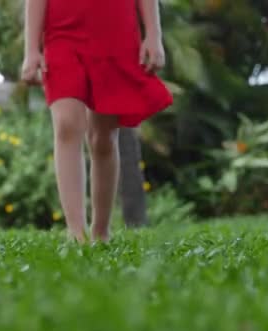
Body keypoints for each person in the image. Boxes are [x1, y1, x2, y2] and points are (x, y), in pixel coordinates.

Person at [22, 0, 173, 243]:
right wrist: (31, 50)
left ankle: (101, 231)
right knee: (66, 125)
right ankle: (76, 232)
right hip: (61, 35)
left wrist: (154, 35)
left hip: (115, 34)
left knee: (102, 137)